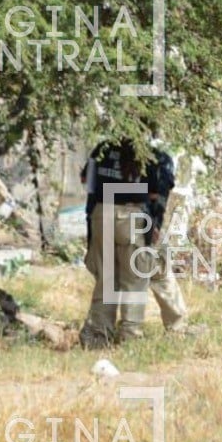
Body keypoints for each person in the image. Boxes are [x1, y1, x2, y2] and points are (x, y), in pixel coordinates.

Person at [79, 139, 152, 348]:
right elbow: (153, 193)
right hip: (131, 216)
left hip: (102, 212)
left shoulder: (102, 147)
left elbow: (88, 182)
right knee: (135, 279)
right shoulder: (146, 150)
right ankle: (130, 335)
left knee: (106, 279)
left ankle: (99, 335)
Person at [142, 143, 204, 337]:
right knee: (160, 274)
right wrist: (155, 225)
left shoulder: (123, 153)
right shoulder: (162, 160)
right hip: (146, 224)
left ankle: (120, 329)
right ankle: (176, 326)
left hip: (115, 221)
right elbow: (159, 196)